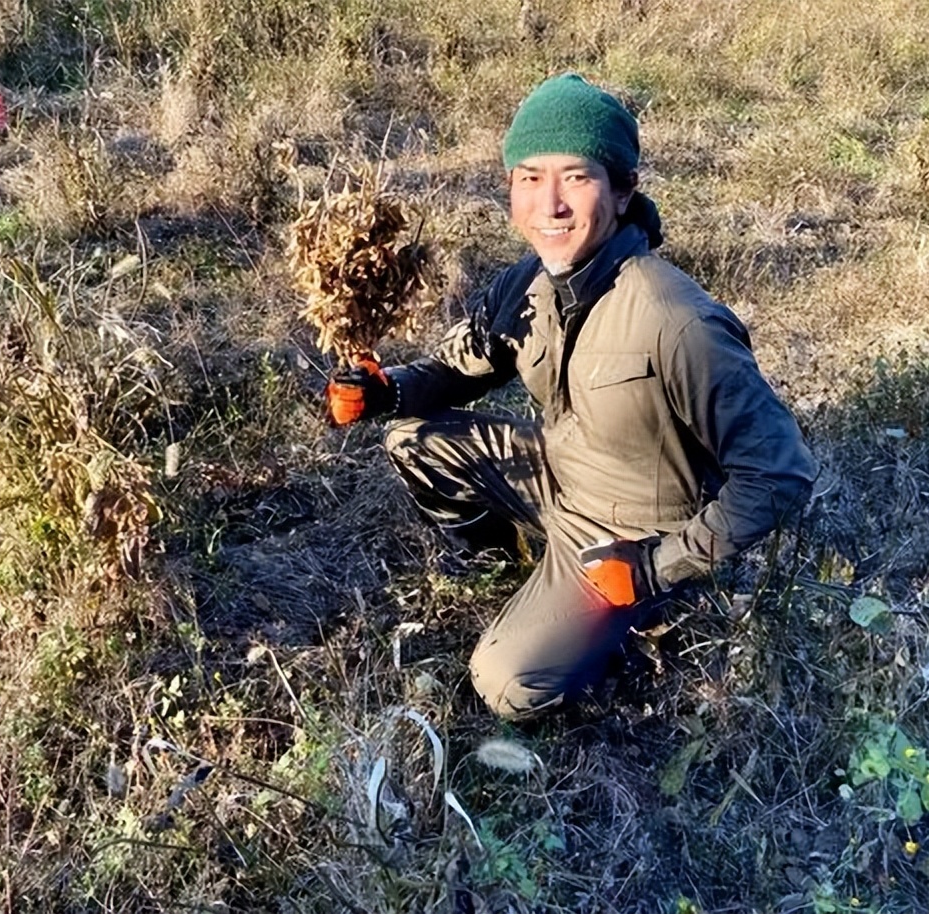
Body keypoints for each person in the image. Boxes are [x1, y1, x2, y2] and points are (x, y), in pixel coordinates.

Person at [326, 73, 817, 719]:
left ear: (621, 191)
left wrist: (655, 567)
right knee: (412, 438)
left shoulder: (677, 321)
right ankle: (509, 564)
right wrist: (389, 392)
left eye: (576, 177)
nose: (549, 203)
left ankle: (637, 619)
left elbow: (780, 477)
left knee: (506, 683)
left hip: (629, 532)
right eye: (529, 177)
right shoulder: (528, 280)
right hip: (558, 470)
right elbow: (460, 370)